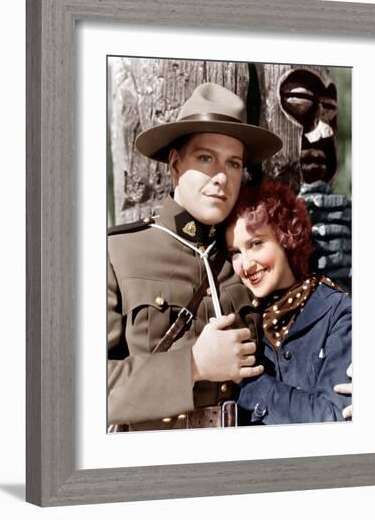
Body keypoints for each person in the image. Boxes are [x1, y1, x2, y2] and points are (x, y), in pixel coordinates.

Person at [108, 82, 283, 431]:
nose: (221, 177)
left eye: (234, 163)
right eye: (206, 158)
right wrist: (192, 365)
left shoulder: (251, 259)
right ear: (174, 164)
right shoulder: (117, 253)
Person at [224, 180, 352, 424]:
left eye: (256, 244)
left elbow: (333, 418)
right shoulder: (242, 318)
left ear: (287, 238)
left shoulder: (340, 312)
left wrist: (248, 383)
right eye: (235, 253)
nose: (246, 265)